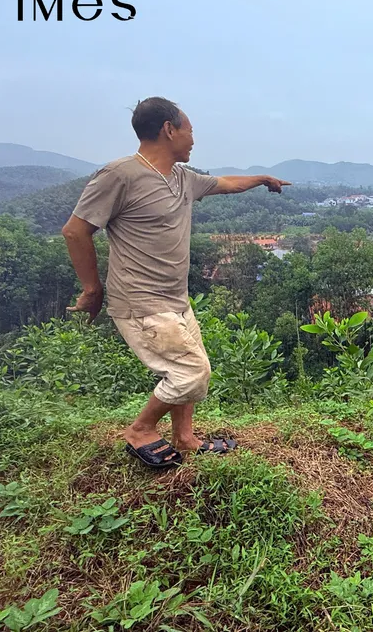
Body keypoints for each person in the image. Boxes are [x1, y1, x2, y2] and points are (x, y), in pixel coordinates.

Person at [61, 97, 290, 469]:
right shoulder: (119, 175)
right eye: (190, 131)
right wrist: (92, 289)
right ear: (169, 129)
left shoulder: (183, 178)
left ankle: (185, 437)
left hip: (175, 299)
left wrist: (263, 179)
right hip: (140, 300)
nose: (193, 140)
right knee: (192, 373)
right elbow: (75, 231)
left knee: (190, 364)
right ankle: (140, 429)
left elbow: (228, 182)